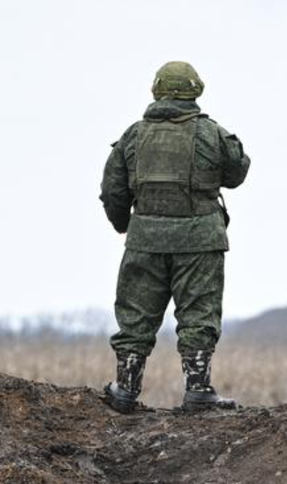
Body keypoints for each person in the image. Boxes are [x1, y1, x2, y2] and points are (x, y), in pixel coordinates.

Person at [99, 61, 251, 414]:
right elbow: (237, 172)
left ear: (156, 91)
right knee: (199, 314)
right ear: (195, 91)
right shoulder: (213, 133)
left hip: (145, 242)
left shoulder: (133, 137)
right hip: (199, 241)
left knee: (135, 317)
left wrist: (128, 226)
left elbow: (113, 192)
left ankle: (125, 389)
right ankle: (198, 390)